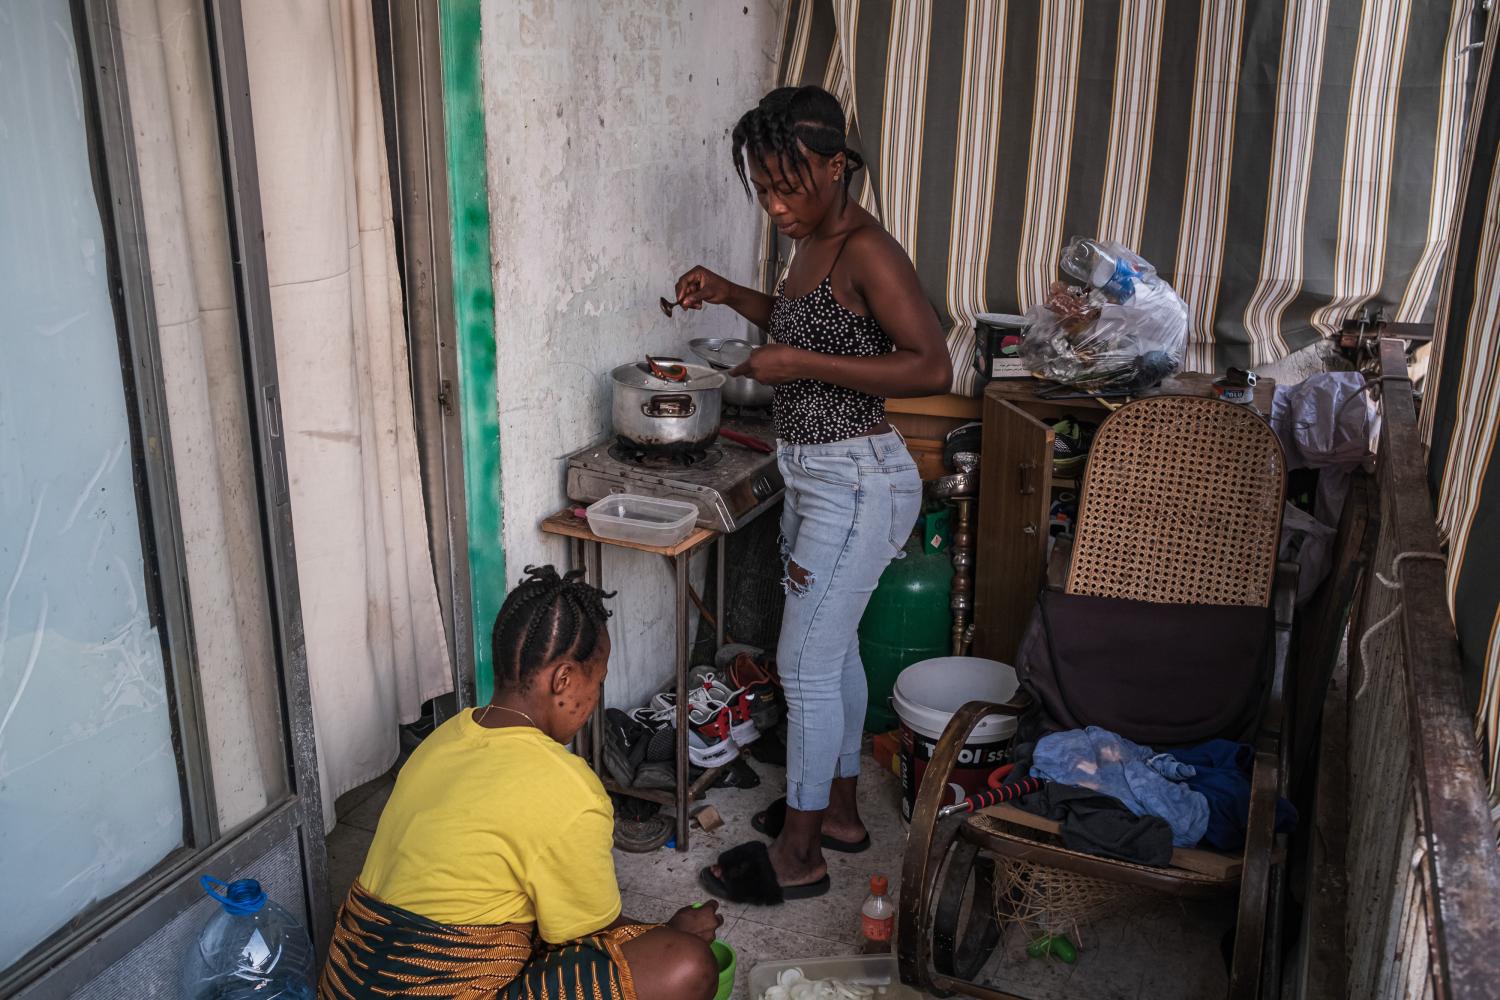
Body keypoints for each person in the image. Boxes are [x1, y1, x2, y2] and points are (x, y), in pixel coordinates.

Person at [675, 85, 951, 904]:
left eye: (788, 185)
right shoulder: (810, 241)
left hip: (857, 481)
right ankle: (838, 815)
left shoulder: (868, 249)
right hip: (815, 473)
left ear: (836, 166)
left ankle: (799, 856)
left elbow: (931, 366)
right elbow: (809, 325)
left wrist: (796, 365)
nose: (775, 205)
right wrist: (732, 293)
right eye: (763, 187)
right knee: (832, 656)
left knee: (802, 664)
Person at [318, 566, 723, 1000]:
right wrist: (673, 931)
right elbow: (589, 934)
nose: (595, 700)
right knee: (685, 965)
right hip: (433, 989)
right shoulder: (569, 789)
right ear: (563, 680)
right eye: (597, 682)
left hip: (347, 982)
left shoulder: (447, 736)